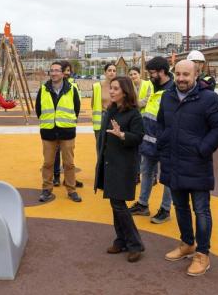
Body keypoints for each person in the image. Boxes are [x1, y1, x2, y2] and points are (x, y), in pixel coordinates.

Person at [158, 60, 218, 276]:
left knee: (201, 210)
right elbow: (162, 123)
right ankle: (187, 244)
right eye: (178, 74)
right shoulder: (167, 96)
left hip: (197, 164)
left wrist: (202, 149)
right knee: (180, 207)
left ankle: (202, 254)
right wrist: (164, 140)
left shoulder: (208, 98)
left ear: (196, 75)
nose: (181, 78)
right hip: (173, 162)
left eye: (186, 75)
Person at [94, 76, 145, 263]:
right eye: (111, 88)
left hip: (123, 166)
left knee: (119, 205)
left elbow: (139, 137)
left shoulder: (133, 113)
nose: (112, 91)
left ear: (125, 91)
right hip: (109, 164)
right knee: (115, 204)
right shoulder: (111, 110)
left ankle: (134, 243)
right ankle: (122, 239)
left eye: (116, 89)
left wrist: (122, 134)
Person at [128, 57, 173, 224]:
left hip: (165, 143)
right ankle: (143, 204)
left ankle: (165, 209)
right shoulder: (155, 87)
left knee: (167, 178)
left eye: (152, 73)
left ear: (162, 71)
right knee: (146, 172)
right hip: (149, 141)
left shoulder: (172, 91)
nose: (150, 76)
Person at [35, 62, 82, 203]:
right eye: (52, 71)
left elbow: (76, 109)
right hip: (48, 132)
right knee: (48, 163)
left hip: (66, 132)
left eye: (57, 70)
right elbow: (38, 109)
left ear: (63, 73)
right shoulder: (43, 89)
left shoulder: (72, 89)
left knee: (69, 163)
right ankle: (47, 190)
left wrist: (67, 122)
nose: (54, 73)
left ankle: (71, 190)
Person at [53, 60, 83, 188]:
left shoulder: (73, 87)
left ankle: (69, 179)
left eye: (68, 71)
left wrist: (72, 119)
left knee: (69, 155)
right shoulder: (52, 87)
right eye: (64, 70)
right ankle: (56, 177)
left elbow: (77, 105)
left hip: (67, 126)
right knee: (55, 152)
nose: (67, 73)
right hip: (53, 126)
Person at [91, 63, 117, 141]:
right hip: (100, 119)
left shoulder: (120, 86)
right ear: (104, 72)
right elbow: (93, 104)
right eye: (109, 70)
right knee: (100, 145)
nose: (112, 72)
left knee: (114, 144)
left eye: (114, 71)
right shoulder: (97, 86)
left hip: (115, 117)